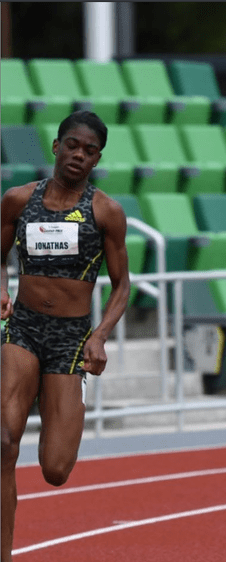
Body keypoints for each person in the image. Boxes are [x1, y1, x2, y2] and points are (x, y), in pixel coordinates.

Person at [1, 111, 131, 561]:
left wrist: (99, 336)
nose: (79, 154)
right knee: (2, 443)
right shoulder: (18, 201)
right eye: (72, 145)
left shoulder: (105, 211)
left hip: (70, 339)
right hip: (23, 329)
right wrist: (2, 290)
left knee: (55, 469)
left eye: (89, 150)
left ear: (97, 159)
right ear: (56, 147)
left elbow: (122, 286)